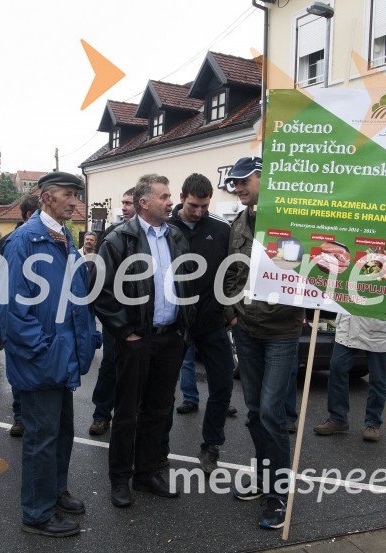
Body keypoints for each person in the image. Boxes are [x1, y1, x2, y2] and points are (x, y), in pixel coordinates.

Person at [0, 171, 100, 537]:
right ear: (45, 197)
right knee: (40, 440)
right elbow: (7, 310)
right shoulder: (24, 241)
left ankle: (55, 492)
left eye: (76, 195)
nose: (75, 201)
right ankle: (36, 514)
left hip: (61, 357)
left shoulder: (62, 237)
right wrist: (42, 349)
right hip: (43, 360)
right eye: (68, 195)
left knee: (62, 432)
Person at [95, 174, 194, 508]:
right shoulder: (119, 239)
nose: (170, 201)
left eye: (169, 196)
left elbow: (187, 281)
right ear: (144, 202)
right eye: (164, 196)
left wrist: (183, 327)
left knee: (159, 410)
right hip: (137, 340)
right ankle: (120, 479)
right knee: (126, 413)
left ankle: (147, 473)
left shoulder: (176, 236)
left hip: (170, 338)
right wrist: (126, 332)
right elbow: (103, 291)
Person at [223, 157, 304, 530]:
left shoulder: (290, 218)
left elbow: (308, 267)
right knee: (255, 412)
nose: (237, 188)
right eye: (234, 183)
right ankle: (262, 478)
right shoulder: (239, 222)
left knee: (272, 413)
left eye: (243, 181)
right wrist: (234, 315)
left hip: (283, 331)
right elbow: (232, 272)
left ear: (262, 178)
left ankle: (278, 494)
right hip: (248, 329)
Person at [163, 173, 234, 474]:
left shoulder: (220, 230)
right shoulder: (163, 229)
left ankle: (211, 445)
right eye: (194, 205)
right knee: (163, 388)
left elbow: (233, 270)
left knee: (223, 383)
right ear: (182, 197)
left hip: (211, 319)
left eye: (205, 206)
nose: (199, 211)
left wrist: (231, 307)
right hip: (173, 322)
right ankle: (157, 446)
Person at [314, 273, 386, 442]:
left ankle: (373, 423)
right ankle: (337, 418)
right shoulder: (354, 248)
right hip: (349, 324)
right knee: (337, 368)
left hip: (380, 328)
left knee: (378, 379)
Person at [88, 188, 134, 436]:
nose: (124, 207)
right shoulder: (112, 233)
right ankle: (101, 414)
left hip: (141, 317)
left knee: (135, 371)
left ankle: (128, 417)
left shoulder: (152, 236)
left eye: (129, 203)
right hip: (115, 316)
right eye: (123, 202)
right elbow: (99, 279)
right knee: (109, 365)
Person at [1, 192, 40, 439]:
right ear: (29, 216)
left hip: (42, 317)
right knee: (19, 368)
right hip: (19, 315)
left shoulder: (55, 238)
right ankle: (19, 416)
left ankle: (33, 416)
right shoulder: (12, 241)